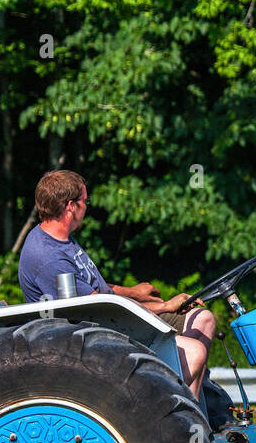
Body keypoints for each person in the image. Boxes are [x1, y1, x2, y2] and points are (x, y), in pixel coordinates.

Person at [18, 169, 217, 399]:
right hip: (94, 336)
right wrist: (164, 307)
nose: (87, 206)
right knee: (194, 353)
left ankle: (188, 408)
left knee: (203, 319)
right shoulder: (48, 257)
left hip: (107, 319)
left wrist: (135, 293)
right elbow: (98, 308)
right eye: (86, 200)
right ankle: (162, 412)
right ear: (71, 206)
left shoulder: (60, 237)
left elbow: (93, 288)